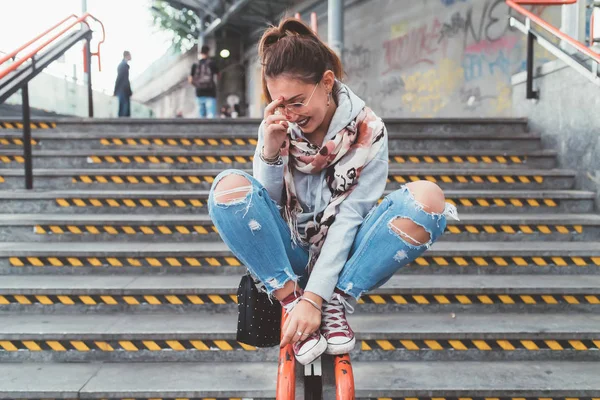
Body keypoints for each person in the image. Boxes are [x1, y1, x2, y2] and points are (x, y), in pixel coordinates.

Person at [208, 18, 459, 366]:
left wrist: (319, 298)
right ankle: (289, 299)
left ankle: (335, 302)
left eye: (297, 102)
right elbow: (267, 210)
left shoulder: (368, 132)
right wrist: (268, 152)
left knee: (429, 200)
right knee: (228, 187)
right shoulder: (280, 128)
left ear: (326, 83)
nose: (291, 115)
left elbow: (349, 217)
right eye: (281, 105)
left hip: (346, 258)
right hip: (291, 254)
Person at [189, 45, 219, 118]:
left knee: (201, 116)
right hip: (210, 92)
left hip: (199, 92)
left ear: (200, 53)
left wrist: (197, 85)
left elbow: (190, 80)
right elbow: (218, 75)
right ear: (208, 52)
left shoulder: (195, 64)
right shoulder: (212, 63)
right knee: (211, 115)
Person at [114, 51, 132, 117]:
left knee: (123, 109)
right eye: (130, 55)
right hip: (123, 90)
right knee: (124, 110)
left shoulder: (123, 65)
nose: (131, 57)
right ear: (127, 55)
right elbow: (120, 78)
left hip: (122, 89)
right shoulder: (123, 65)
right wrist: (115, 90)